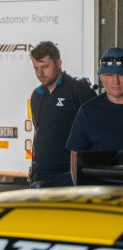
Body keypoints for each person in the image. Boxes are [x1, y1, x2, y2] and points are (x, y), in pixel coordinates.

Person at [29, 41, 97, 188]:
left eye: (45, 67)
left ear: (58, 63)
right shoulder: (37, 95)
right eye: (36, 68)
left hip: (68, 177)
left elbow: (96, 132)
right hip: (40, 177)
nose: (40, 73)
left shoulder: (78, 90)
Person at [66, 47, 123, 183]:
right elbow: (75, 155)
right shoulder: (88, 112)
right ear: (102, 78)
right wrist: (80, 191)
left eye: (121, 75)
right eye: (109, 75)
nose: (115, 81)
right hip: (101, 198)